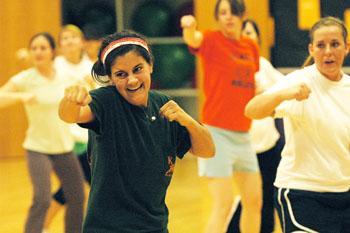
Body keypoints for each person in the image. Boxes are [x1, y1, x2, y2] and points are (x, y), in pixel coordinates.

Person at [58, 30, 215, 233]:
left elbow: (207, 151)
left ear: (150, 66)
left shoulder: (165, 106)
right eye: (121, 74)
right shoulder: (106, 101)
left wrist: (188, 121)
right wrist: (71, 100)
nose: (132, 80)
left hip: (155, 227)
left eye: (137, 69)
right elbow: (71, 115)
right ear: (112, 79)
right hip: (107, 228)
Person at [245, 16, 350, 232]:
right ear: (311, 49)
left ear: (347, 47)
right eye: (321, 45)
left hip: (343, 194)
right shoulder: (299, 81)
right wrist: (283, 94)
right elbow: (252, 109)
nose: (328, 51)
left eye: (335, 44)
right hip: (301, 193)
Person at [180, 1, 262, 232]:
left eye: (233, 12)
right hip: (216, 134)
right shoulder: (211, 39)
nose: (228, 17)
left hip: (244, 134)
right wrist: (189, 27)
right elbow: (192, 39)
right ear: (217, 17)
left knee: (254, 202)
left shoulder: (250, 46)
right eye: (223, 13)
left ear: (242, 15)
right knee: (223, 205)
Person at [0, 32, 85, 233]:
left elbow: (84, 92)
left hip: (64, 147)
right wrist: (21, 96)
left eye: (43, 48)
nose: (38, 52)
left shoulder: (66, 76)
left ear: (52, 52)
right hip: (38, 148)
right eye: (34, 48)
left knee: (77, 196)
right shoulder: (25, 78)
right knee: (42, 198)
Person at [227, 19, 284, 233]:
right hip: (244, 146)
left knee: (269, 196)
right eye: (242, 32)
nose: (246, 36)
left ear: (258, 37)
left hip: (269, 144)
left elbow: (284, 87)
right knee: (250, 198)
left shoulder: (264, 64)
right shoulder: (231, 67)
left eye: (250, 32)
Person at [43, 24, 94, 232]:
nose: (70, 40)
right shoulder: (55, 67)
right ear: (59, 46)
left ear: (81, 42)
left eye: (74, 37)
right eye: (65, 38)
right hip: (62, 139)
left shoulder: (91, 67)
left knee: (72, 188)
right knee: (78, 186)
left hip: (86, 138)